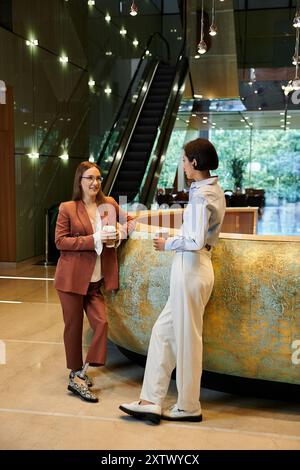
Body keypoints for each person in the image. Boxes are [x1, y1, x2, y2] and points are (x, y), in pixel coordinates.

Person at [119, 138, 226, 423]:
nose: (182, 165)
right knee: (162, 333)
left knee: (187, 339)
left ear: (195, 162)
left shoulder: (203, 195)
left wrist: (167, 243)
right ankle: (150, 400)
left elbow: (195, 240)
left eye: (183, 160)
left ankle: (189, 406)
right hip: (191, 267)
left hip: (192, 267)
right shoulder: (207, 189)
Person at [55, 161, 135, 403]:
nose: (95, 183)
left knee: (101, 324)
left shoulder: (108, 204)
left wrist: (123, 231)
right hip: (71, 280)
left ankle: (80, 372)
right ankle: (76, 374)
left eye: (98, 178)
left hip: (95, 282)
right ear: (80, 181)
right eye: (89, 178)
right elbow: (61, 242)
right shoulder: (68, 208)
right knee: (74, 328)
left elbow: (132, 220)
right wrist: (94, 238)